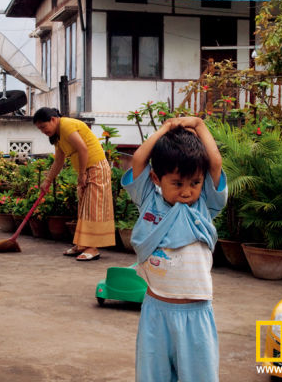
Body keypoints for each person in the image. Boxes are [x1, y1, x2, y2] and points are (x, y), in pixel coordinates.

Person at [121, 117, 227, 382]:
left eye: (194, 183)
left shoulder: (205, 205)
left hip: (197, 314)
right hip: (156, 311)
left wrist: (199, 125)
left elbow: (215, 164)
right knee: (152, 376)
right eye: (177, 183)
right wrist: (165, 129)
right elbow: (138, 161)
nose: (187, 191)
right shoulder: (148, 200)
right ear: (157, 178)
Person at [33, 107, 115, 260]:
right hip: (85, 170)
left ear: (52, 119)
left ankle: (92, 248)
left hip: (96, 167)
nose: (43, 131)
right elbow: (59, 161)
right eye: (40, 129)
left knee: (93, 208)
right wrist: (47, 180)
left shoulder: (67, 125)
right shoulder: (58, 135)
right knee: (84, 207)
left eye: (43, 127)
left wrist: (82, 173)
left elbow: (83, 149)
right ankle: (82, 245)